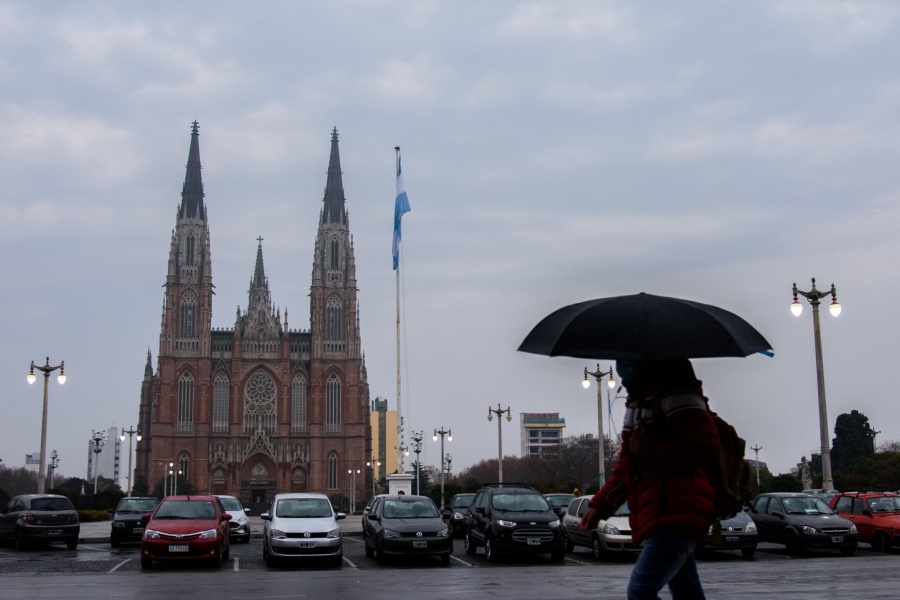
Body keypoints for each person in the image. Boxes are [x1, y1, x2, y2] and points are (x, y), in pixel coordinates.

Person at [580, 359, 720, 600]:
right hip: (664, 512)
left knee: (640, 590)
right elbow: (627, 468)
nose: (622, 368)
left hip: (679, 511)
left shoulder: (678, 396)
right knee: (686, 590)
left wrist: (647, 447)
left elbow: (703, 448)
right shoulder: (638, 404)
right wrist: (599, 506)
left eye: (627, 360)